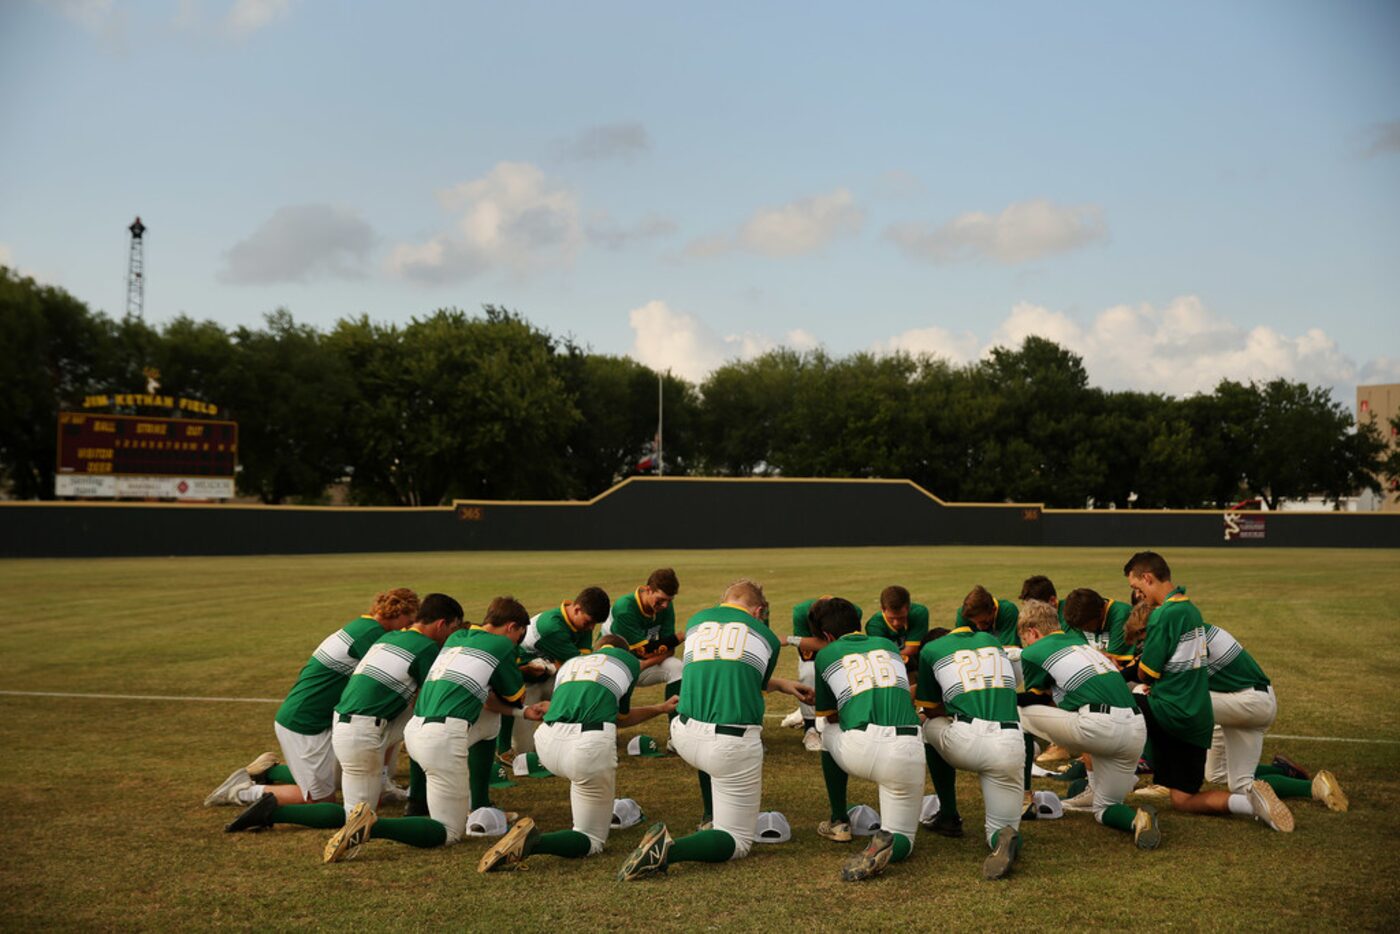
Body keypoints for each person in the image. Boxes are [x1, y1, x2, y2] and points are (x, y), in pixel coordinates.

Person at [617, 579, 815, 880]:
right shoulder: (766, 637)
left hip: (684, 734)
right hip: (729, 743)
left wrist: (784, 686)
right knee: (737, 841)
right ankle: (670, 850)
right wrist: (780, 683)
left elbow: (734, 672)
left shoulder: (697, 622)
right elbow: (754, 680)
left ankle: (709, 816)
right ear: (758, 610)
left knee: (711, 748)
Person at [320, 596, 541, 862]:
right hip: (441, 738)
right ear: (511, 627)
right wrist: (522, 700)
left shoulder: (454, 639)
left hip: (409, 731)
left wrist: (520, 711)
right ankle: (375, 825)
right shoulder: (501, 645)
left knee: (486, 725)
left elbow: (481, 696)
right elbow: (514, 695)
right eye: (520, 633)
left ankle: (415, 801)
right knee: (449, 830)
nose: (518, 640)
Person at [225, 594, 463, 834]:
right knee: (330, 806)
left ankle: (270, 772)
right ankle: (250, 795)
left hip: (338, 721)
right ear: (441, 624)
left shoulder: (387, 635)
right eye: (451, 628)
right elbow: (426, 698)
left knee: (351, 783)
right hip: (311, 724)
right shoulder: (396, 640)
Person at [205, 588, 419, 816]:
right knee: (319, 801)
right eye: (410, 619)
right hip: (304, 724)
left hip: (318, 717)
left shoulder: (364, 626)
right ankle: (242, 791)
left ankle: (272, 772)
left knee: (383, 724)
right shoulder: (370, 635)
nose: (411, 626)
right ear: (399, 613)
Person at [476, 634, 679, 872]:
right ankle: (535, 842)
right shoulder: (628, 661)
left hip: (547, 742)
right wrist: (660, 708)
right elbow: (621, 719)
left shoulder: (572, 663)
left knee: (579, 776)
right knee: (591, 839)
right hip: (587, 746)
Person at [1124, 551, 1293, 832]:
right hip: (1238, 705)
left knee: (1138, 703)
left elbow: (1148, 674)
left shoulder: (1166, 617)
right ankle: (1266, 798)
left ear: (1147, 577)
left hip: (1230, 702)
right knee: (1216, 786)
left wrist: (1128, 676)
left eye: (1136, 587)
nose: (1137, 594)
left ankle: (1121, 783)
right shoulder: (1190, 611)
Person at [1016, 600, 1158, 848]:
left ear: (1032, 632)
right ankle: (1138, 819)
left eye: (1025, 639)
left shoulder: (1033, 651)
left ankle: (1024, 798)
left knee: (1018, 713)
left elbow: (1038, 698)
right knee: (1104, 809)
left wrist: (1000, 698)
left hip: (1099, 725)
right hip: (1135, 728)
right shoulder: (1084, 645)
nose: (1026, 645)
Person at [811, 597, 924, 881]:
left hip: (867, 748)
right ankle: (883, 846)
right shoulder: (887, 645)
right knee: (903, 842)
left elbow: (830, 714)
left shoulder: (826, 654)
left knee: (825, 730)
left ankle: (839, 821)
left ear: (826, 636)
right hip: (911, 747)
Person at [917, 606, 1026, 880]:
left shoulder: (931, 653)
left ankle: (949, 815)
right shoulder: (990, 643)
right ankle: (1002, 839)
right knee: (1000, 830)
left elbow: (930, 709)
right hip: (1012, 741)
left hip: (969, 741)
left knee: (929, 726)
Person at [1201, 619, 1347, 812]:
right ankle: (1284, 771)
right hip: (1236, 700)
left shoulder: (1186, 636)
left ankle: (1314, 787)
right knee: (1216, 774)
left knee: (1240, 786)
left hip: (1247, 703)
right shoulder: (1190, 631)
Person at [498, 587, 611, 760]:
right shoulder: (552, 627)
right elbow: (579, 664)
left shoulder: (579, 623)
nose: (591, 628)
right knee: (525, 753)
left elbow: (582, 664)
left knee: (581, 696)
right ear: (577, 609)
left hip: (549, 675)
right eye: (589, 622)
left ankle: (588, 736)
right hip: (524, 681)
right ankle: (507, 747)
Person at [599, 569, 684, 741]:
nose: (665, 606)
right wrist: (678, 638)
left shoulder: (665, 607)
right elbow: (646, 650)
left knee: (676, 667)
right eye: (660, 600)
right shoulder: (625, 608)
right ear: (648, 590)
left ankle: (677, 737)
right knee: (609, 732)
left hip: (642, 665)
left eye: (669, 601)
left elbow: (668, 649)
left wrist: (645, 664)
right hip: (611, 668)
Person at [783, 596, 864, 752]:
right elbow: (808, 652)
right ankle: (810, 728)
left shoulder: (853, 611)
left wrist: (789, 639)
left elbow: (845, 643)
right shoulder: (801, 613)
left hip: (845, 650)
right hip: (817, 656)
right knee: (809, 671)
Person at [864, 585, 929, 679]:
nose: (896, 623)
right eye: (891, 618)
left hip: (915, 661)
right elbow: (884, 658)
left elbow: (912, 650)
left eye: (901, 618)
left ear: (908, 608)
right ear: (882, 609)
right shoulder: (874, 625)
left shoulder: (919, 613)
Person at [954, 586, 1021, 648]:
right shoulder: (963, 615)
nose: (980, 627)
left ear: (994, 609)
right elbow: (960, 648)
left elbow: (1010, 650)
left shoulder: (1008, 611)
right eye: (974, 623)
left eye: (984, 622)